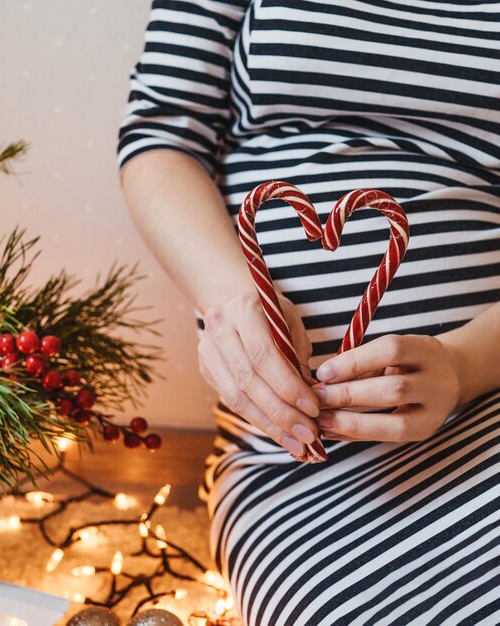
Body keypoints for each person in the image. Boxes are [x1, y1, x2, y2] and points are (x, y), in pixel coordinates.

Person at [117, 1, 500, 624]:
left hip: (488, 395)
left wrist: (464, 365)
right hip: (290, 456)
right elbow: (161, 136)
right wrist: (230, 297)